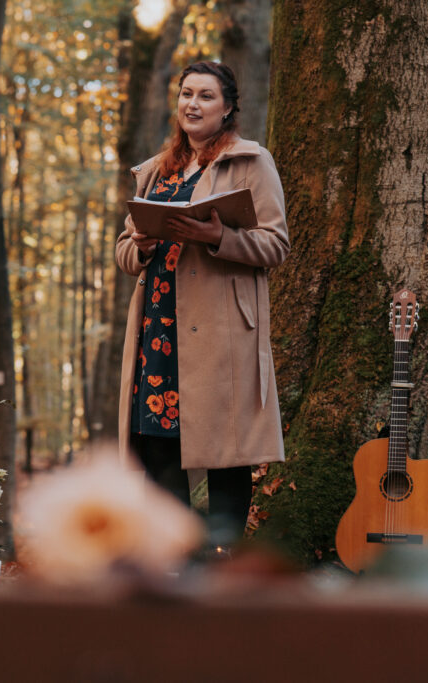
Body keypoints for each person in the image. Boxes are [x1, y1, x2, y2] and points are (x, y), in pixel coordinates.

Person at [116, 61, 290, 546]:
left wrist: (219, 237)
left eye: (206, 96)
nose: (192, 104)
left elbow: (275, 245)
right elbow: (126, 250)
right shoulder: (156, 170)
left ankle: (224, 564)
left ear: (229, 107)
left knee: (226, 453)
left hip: (220, 333)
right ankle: (173, 560)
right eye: (186, 94)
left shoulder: (251, 162)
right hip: (160, 326)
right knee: (157, 446)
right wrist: (142, 246)